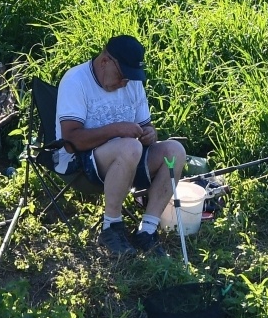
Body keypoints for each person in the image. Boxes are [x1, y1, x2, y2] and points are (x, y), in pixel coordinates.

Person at [53, 35, 186, 255]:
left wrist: (150, 134)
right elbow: (70, 141)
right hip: (81, 161)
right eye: (122, 75)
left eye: (130, 77)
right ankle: (111, 227)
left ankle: (148, 230)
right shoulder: (75, 81)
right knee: (130, 147)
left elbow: (146, 125)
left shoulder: (131, 82)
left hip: (128, 158)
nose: (125, 83)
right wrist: (116, 129)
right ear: (105, 61)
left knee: (175, 151)